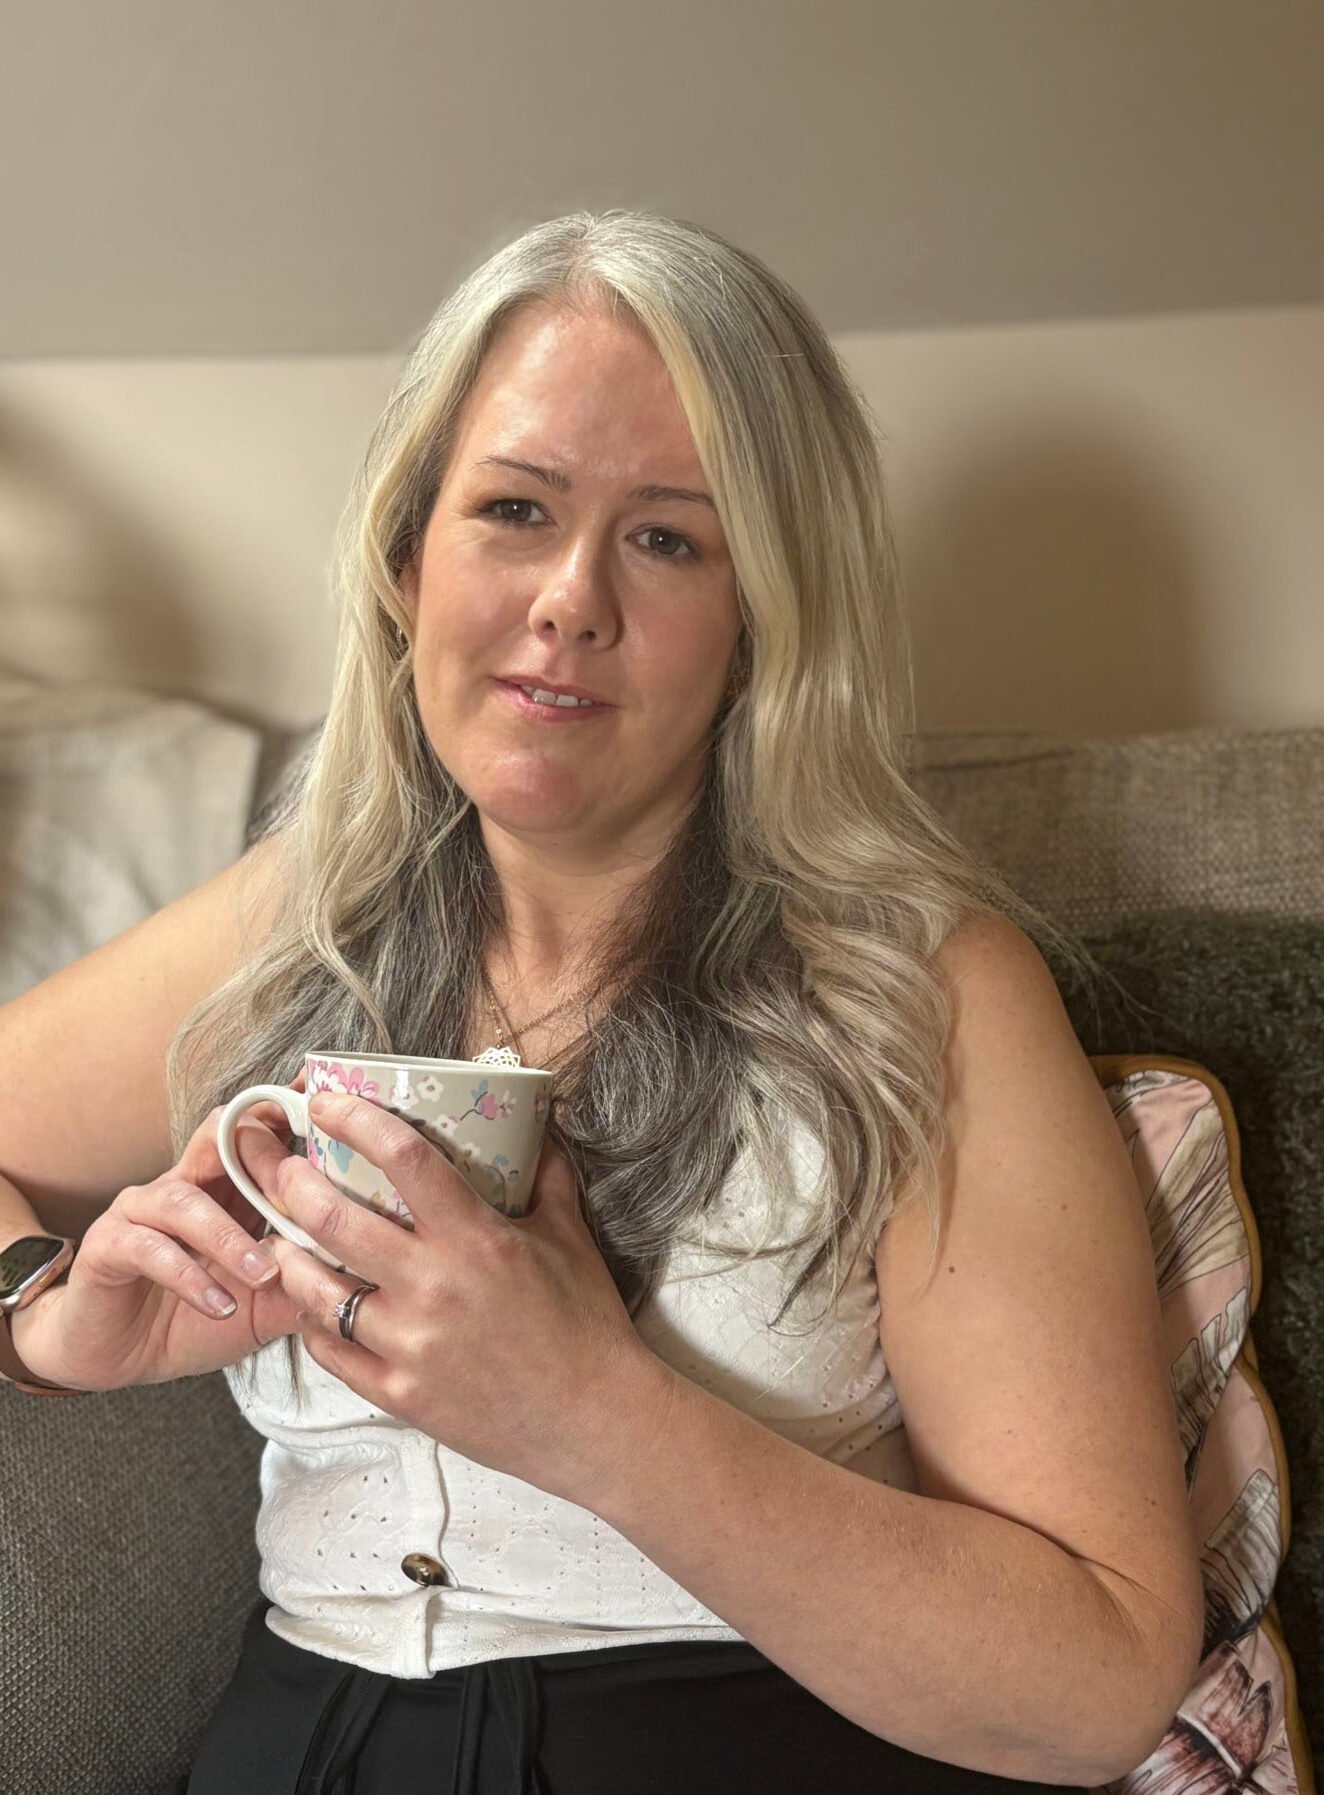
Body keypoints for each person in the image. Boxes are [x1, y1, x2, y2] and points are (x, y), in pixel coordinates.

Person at [0, 209, 1204, 1795]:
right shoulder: (297, 920)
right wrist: (42, 1310)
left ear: (767, 619)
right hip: (297, 1738)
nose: (570, 598)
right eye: (513, 509)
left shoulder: (922, 986)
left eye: (668, 538)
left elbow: (1096, 1684)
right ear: (406, 557)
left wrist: (592, 1411)